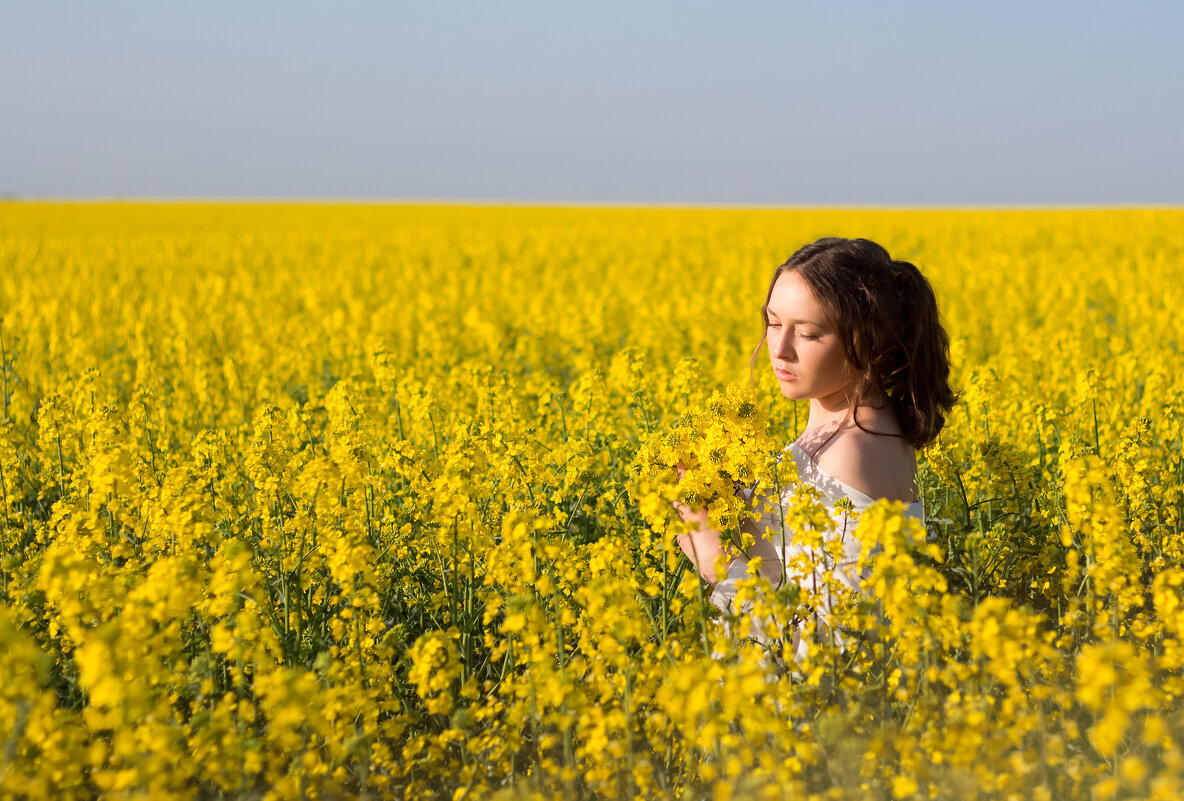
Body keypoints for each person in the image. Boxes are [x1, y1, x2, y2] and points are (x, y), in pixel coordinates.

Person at [673, 237, 957, 660]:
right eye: (773, 323)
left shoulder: (853, 453)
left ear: (865, 340)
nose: (780, 349)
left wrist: (715, 556)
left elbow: (830, 649)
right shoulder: (845, 425)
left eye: (807, 333)